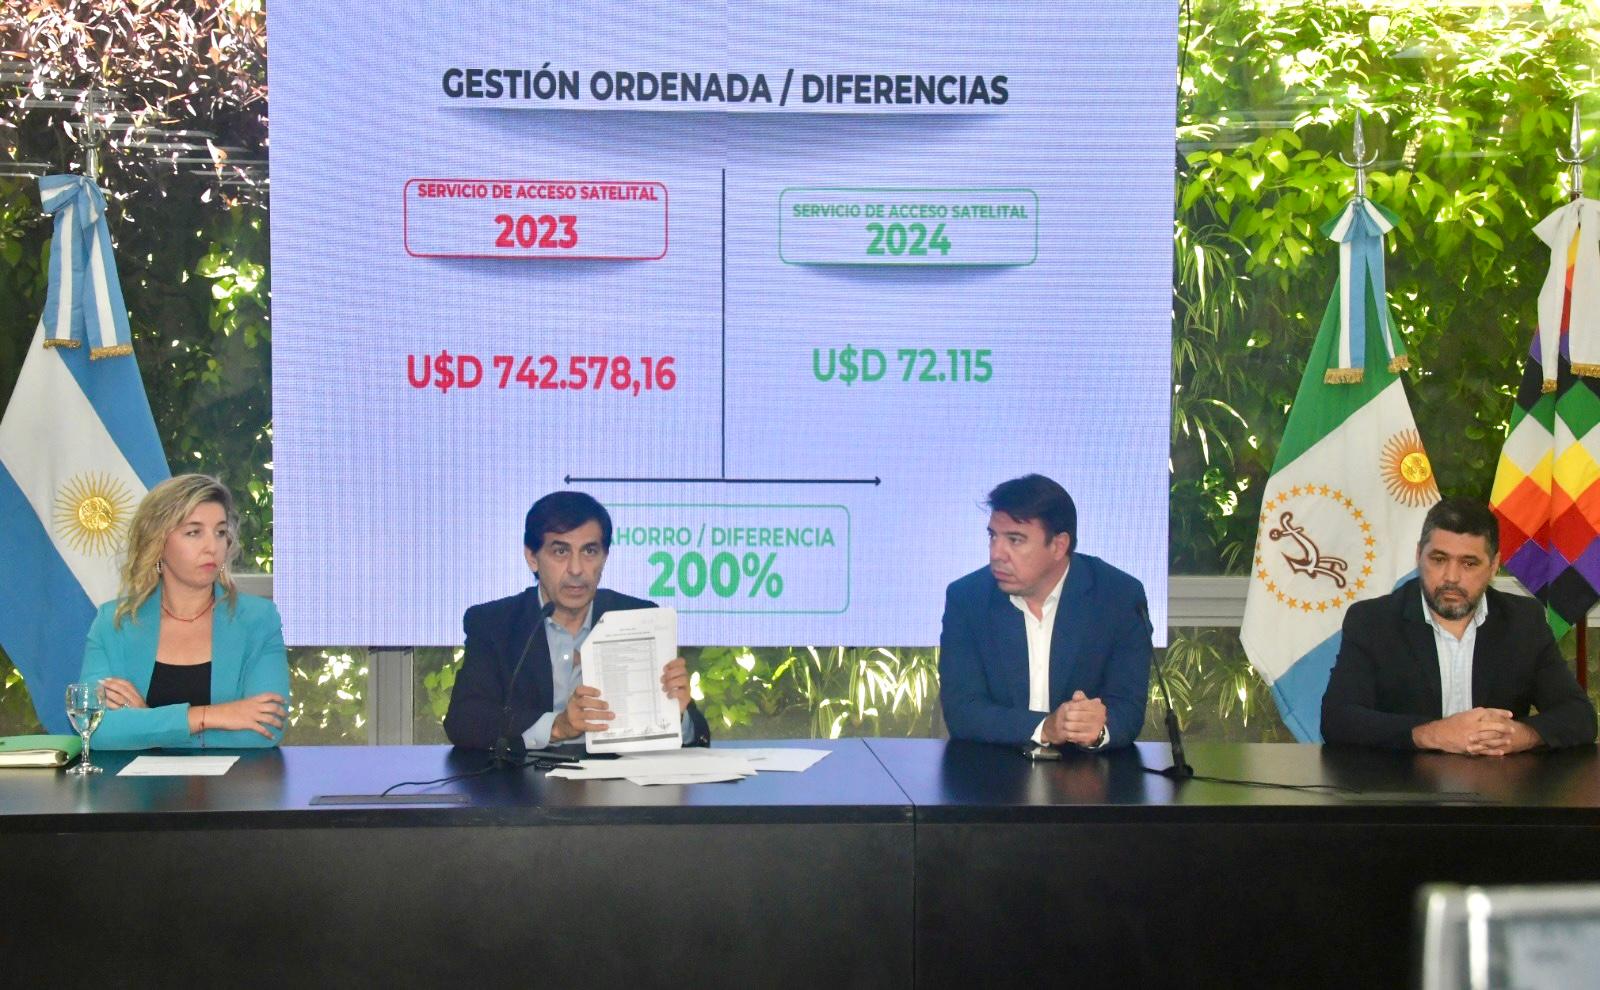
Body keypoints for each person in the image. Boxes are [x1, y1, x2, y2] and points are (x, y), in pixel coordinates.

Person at [1322, 496, 1597, 753]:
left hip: (1498, 785)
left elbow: (1579, 716)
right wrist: (1431, 734)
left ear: (1494, 565)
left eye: (1468, 563)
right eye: (1439, 559)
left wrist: (1518, 735)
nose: (1451, 577)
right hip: (1403, 784)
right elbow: (1338, 719)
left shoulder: (1523, 622)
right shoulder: (1373, 621)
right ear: (1418, 555)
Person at [444, 491, 710, 752]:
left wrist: (677, 716)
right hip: (526, 778)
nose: (576, 569)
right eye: (560, 551)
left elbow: (698, 734)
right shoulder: (494, 623)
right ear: (532, 558)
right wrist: (557, 727)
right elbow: (464, 721)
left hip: (617, 777)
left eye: (589, 551)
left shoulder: (637, 617)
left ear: (604, 557)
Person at [938, 474, 1152, 749]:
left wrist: (1097, 730)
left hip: (1085, 769)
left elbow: (1128, 707)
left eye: (1015, 540)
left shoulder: (1118, 597)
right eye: (993, 536)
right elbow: (962, 711)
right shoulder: (968, 598)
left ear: (1058, 545)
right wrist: (1045, 728)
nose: (996, 554)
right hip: (993, 766)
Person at [80, 474, 290, 749]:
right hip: (134, 780)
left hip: (236, 779)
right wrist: (208, 717)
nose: (212, 547)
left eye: (220, 532)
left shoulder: (258, 620)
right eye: (193, 532)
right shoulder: (114, 623)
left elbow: (265, 730)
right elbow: (95, 730)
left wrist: (147, 722)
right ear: (158, 542)